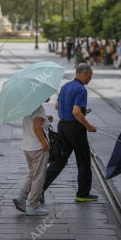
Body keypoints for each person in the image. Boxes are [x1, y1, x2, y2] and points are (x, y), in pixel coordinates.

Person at [40, 63, 98, 203]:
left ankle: (40, 188)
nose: (90, 78)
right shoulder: (81, 90)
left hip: (63, 126)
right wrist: (89, 126)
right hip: (75, 129)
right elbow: (76, 112)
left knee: (60, 160)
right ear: (84, 74)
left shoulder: (65, 86)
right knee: (83, 161)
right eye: (90, 76)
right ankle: (82, 194)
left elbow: (57, 105)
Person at [13, 103, 53, 216]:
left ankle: (21, 198)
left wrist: (46, 119)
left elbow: (34, 123)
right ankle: (33, 206)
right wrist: (44, 143)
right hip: (37, 148)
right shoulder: (39, 108)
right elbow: (36, 127)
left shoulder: (28, 107)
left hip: (27, 147)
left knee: (32, 174)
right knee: (39, 177)